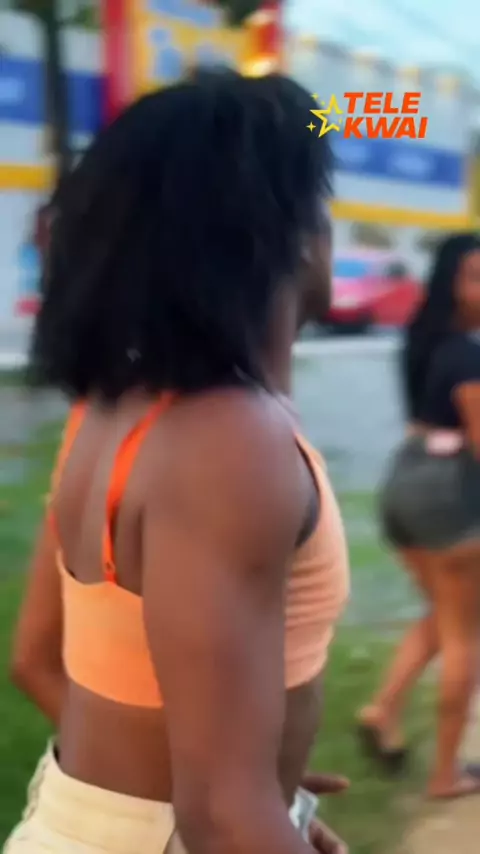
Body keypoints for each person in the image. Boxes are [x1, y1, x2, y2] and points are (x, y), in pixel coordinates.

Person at [5, 69, 350, 853]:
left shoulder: (116, 409)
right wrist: (249, 811)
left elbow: (39, 661)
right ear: (288, 234)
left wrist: (268, 799)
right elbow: (220, 818)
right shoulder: (233, 443)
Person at [357, 233, 480, 799]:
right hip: (448, 496)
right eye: (476, 278)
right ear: (451, 285)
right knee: (465, 635)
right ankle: (445, 775)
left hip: (404, 484)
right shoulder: (468, 356)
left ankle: (383, 709)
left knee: (446, 611)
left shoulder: (425, 341)